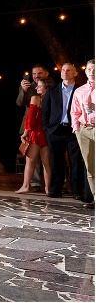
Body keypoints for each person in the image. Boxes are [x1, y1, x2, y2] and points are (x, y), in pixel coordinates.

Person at [42, 63, 85, 199]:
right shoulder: (52, 90)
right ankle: (56, 189)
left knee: (76, 161)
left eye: (69, 70)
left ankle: (77, 191)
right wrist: (47, 128)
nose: (65, 72)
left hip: (74, 130)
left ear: (75, 73)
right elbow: (45, 110)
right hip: (55, 131)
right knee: (56, 161)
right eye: (63, 70)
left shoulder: (80, 90)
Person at [16, 77, 54, 194]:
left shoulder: (35, 98)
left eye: (39, 85)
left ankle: (26, 186)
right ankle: (48, 188)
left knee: (30, 161)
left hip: (36, 133)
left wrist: (25, 133)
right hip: (46, 133)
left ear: (46, 87)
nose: (36, 87)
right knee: (46, 163)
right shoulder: (52, 99)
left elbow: (30, 118)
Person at [71, 59, 95, 209]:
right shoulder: (79, 91)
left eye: (95, 69)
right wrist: (76, 129)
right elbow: (75, 112)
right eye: (90, 69)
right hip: (84, 130)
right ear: (85, 72)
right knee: (90, 166)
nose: (92, 72)